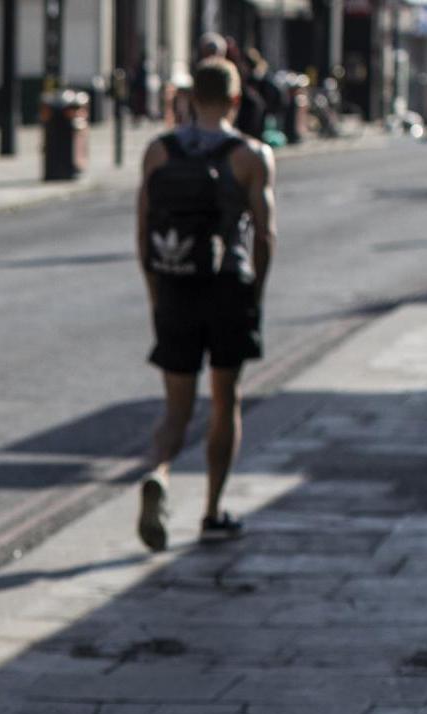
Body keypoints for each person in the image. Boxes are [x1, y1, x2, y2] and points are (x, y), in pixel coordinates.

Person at [136, 55, 276, 550]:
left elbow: (144, 232)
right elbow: (264, 234)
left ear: (191, 98)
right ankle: (213, 511)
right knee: (224, 401)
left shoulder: (159, 152)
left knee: (176, 408)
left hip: (175, 285)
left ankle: (158, 471)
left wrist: (157, 293)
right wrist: (254, 295)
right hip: (226, 289)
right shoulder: (251, 156)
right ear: (236, 100)